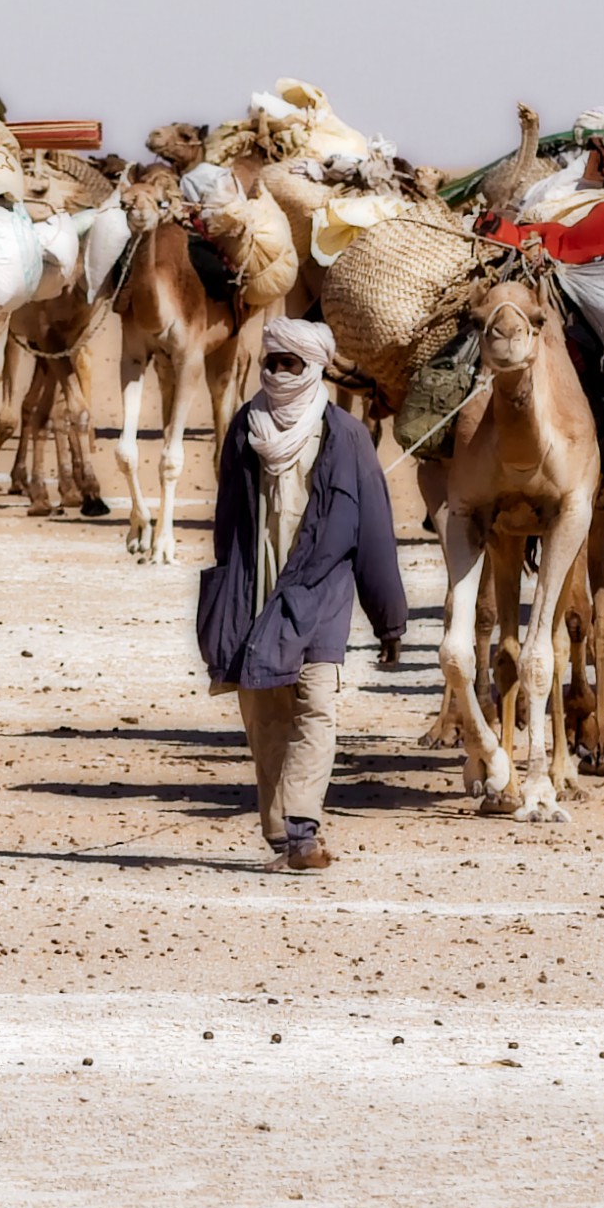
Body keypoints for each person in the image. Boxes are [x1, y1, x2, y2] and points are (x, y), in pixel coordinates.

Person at [194, 316, 411, 873]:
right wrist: (226, 598)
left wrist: (389, 621)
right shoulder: (246, 429)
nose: (281, 373)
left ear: (314, 368)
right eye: (274, 363)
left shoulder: (348, 437)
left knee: (316, 708)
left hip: (320, 598)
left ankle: (302, 830)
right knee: (264, 716)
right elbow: (228, 524)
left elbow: (375, 536)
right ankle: (281, 837)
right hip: (255, 595)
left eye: (292, 364)